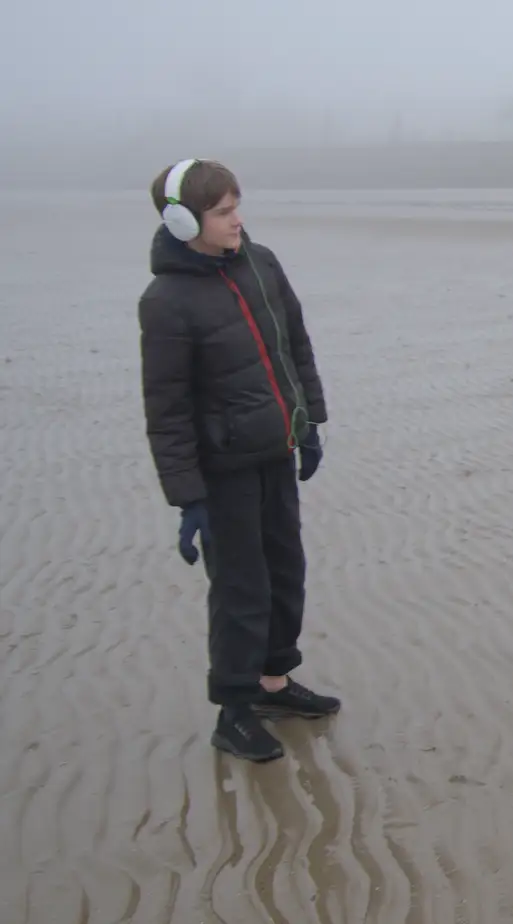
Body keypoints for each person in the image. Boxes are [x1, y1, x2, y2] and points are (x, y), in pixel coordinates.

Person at [138, 157, 341, 762]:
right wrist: (188, 497)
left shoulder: (261, 261)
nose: (237, 220)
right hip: (221, 470)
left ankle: (274, 685)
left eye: (237, 206)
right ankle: (232, 710)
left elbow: (294, 343)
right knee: (241, 589)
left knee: (285, 572)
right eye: (223, 212)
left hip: (275, 450)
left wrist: (310, 424)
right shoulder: (166, 301)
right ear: (182, 221)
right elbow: (166, 408)